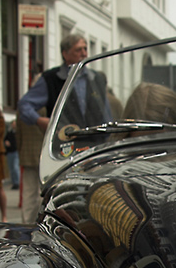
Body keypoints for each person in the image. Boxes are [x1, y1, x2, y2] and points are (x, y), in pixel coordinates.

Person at [17, 36, 112, 221]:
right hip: (64, 149)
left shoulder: (97, 78)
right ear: (65, 54)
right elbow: (25, 104)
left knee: (91, 195)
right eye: (79, 50)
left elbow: (105, 113)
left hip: (93, 148)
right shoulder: (51, 79)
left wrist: (109, 138)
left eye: (85, 49)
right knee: (64, 196)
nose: (84, 53)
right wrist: (39, 120)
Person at [4, 118, 20, 190]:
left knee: (15, 167)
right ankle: (14, 182)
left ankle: (17, 182)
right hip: (9, 152)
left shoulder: (18, 133)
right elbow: (5, 139)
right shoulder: (9, 133)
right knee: (11, 168)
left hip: (15, 151)